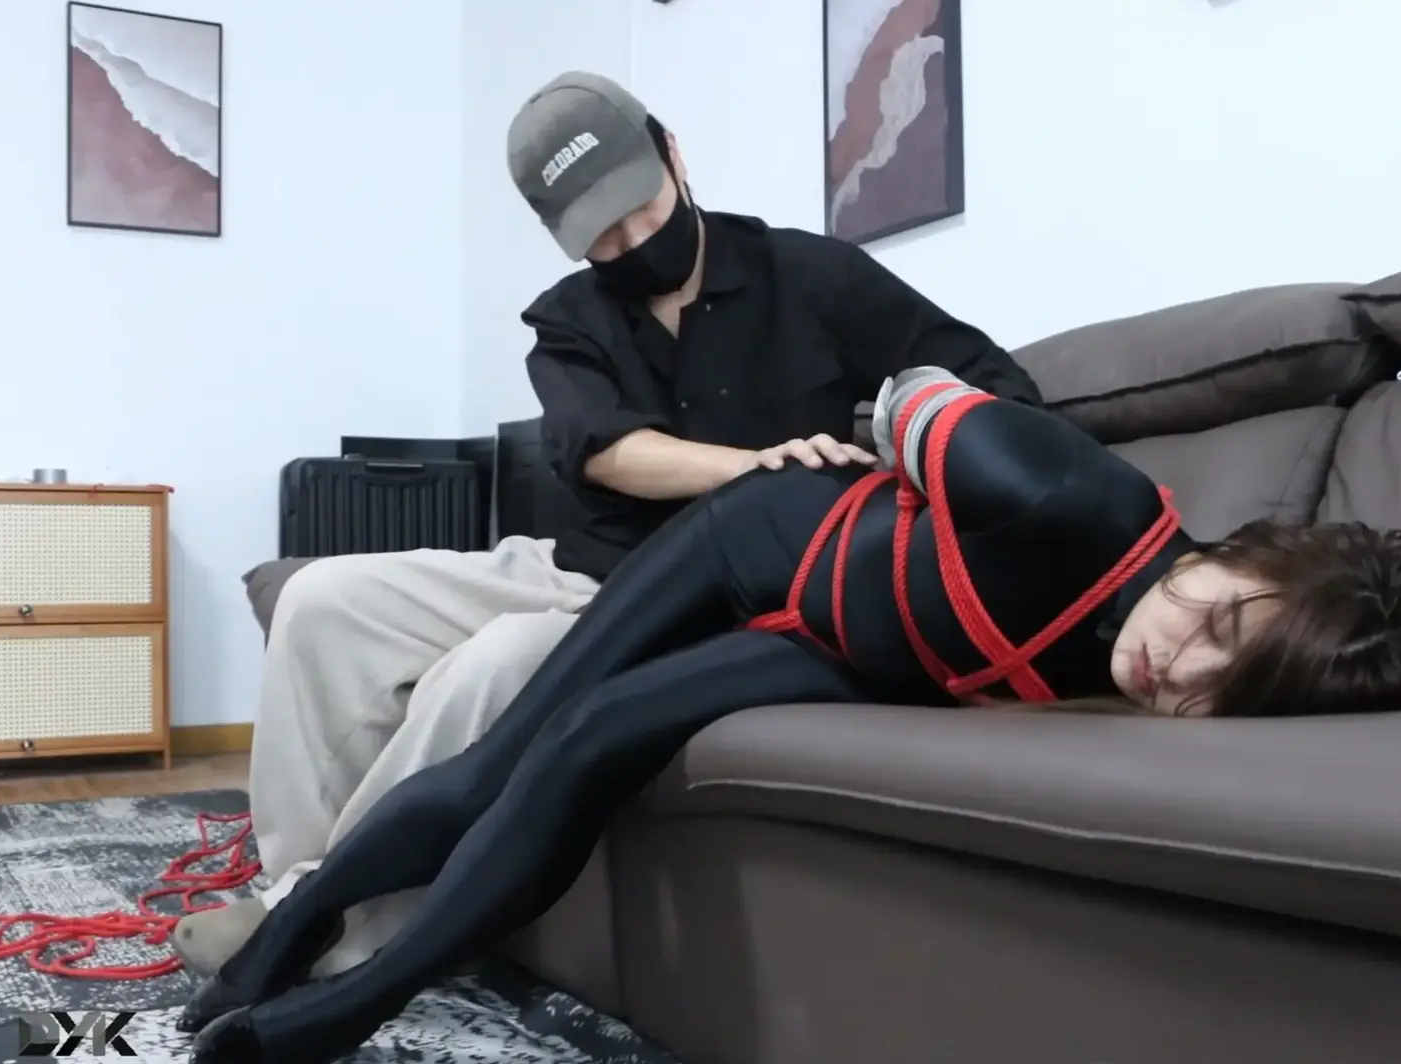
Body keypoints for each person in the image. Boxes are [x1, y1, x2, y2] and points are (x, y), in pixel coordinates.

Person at [177, 365, 1401, 1064]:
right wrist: (886, 439)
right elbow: (909, 391)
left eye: (1226, 683)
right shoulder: (1064, 496)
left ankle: (351, 1005)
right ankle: (301, 934)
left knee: (595, 752)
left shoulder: (1162, 659)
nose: (1178, 665)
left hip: (848, 655)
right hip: (754, 547)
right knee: (518, 746)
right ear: (1238, 551)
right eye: (1214, 617)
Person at [181, 71, 1042, 979]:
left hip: (710, 608)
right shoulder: (570, 319)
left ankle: (325, 925)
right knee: (320, 598)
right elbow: (605, 450)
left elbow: (999, 390)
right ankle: (291, 880)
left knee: (496, 664)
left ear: (673, 155)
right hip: (579, 569)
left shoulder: (811, 275)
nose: (633, 243)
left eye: (643, 211)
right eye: (603, 236)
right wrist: (758, 469)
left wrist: (888, 448)